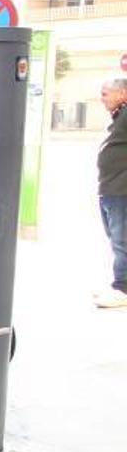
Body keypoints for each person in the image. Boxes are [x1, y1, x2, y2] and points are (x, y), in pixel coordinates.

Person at [95, 78, 127, 309]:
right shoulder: (119, 117)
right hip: (110, 189)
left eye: (106, 93)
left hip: (121, 190)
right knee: (116, 238)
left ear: (123, 93)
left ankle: (122, 288)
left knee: (121, 240)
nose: (102, 97)